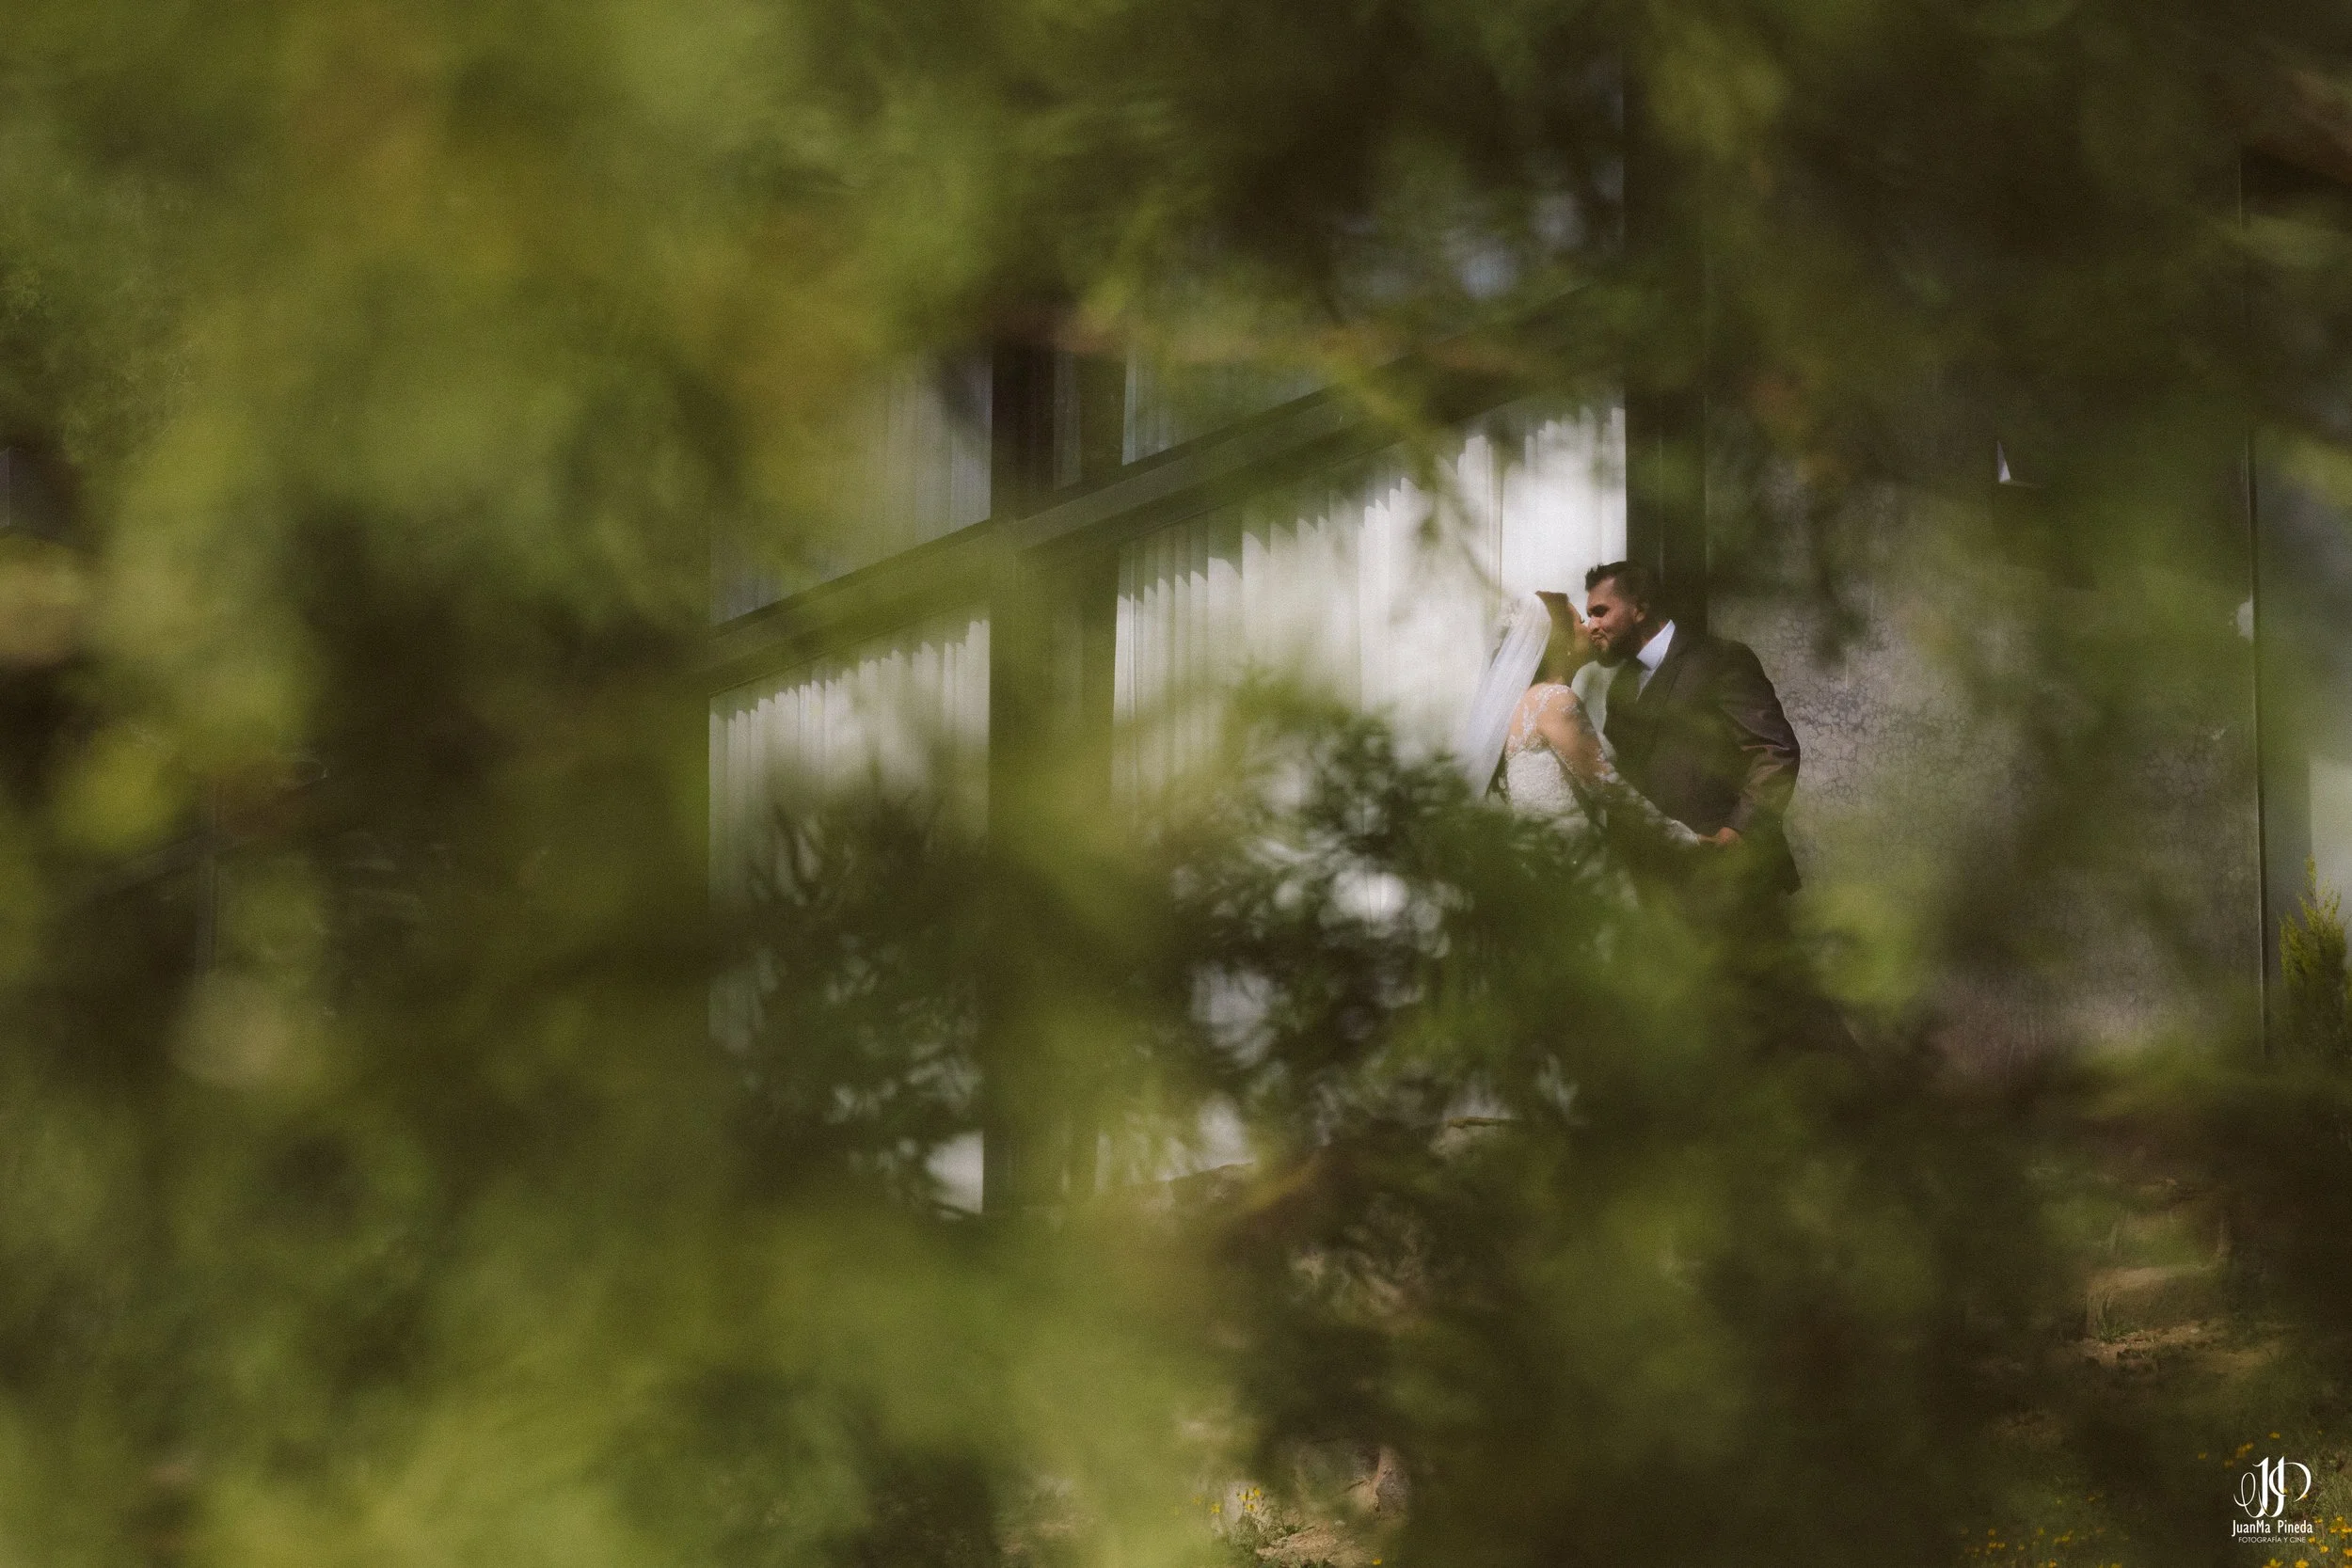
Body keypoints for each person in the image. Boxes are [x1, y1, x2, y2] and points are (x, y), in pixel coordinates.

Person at [1580, 561, 1801, 896]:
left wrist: (1739, 830)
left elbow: (1775, 751)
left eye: (1600, 612)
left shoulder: (1720, 659)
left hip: (1728, 877)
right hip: (1657, 883)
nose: (1591, 626)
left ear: (1639, 609)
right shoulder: (1621, 684)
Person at [1455, 590, 1702, 868]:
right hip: (1575, 864)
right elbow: (1608, 787)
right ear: (1563, 643)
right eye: (1581, 621)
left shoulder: (1522, 704)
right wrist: (1683, 838)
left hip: (1542, 862)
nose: (1591, 628)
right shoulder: (1555, 700)